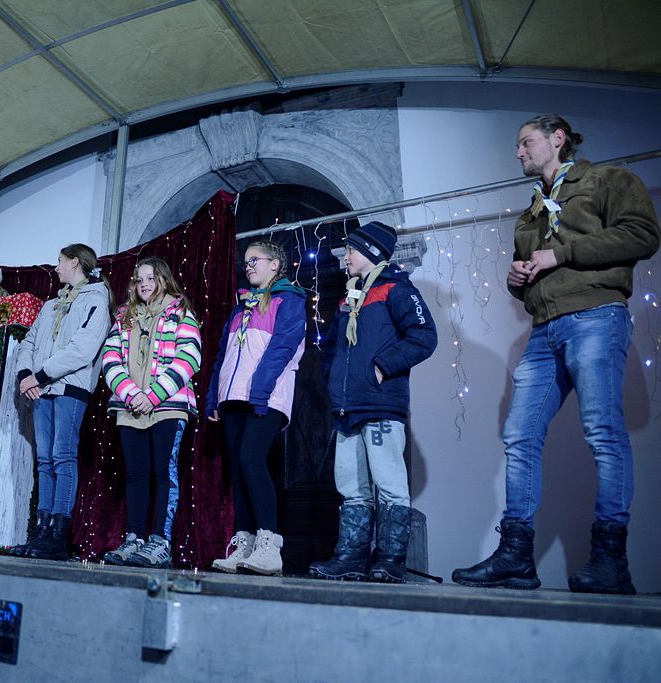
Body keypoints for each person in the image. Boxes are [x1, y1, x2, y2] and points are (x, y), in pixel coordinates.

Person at [453, 114, 660, 594]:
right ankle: (516, 557)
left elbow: (643, 235)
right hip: (545, 329)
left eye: (526, 142)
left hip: (596, 315)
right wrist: (517, 280)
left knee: (603, 432)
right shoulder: (530, 213)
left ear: (557, 138)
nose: (519, 152)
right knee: (519, 436)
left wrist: (560, 254)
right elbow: (531, 281)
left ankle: (610, 561)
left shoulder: (607, 180)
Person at [308, 222, 437, 583]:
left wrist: (381, 367)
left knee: (389, 482)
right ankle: (351, 556)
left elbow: (424, 336)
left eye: (351, 250)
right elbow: (332, 347)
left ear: (371, 252)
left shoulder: (397, 289)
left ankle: (391, 559)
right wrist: (333, 379)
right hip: (347, 408)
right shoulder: (349, 298)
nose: (345, 257)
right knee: (352, 485)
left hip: (380, 405)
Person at [206, 240, 306, 576]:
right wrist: (214, 396)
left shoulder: (289, 301)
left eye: (255, 260)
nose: (248, 266)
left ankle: (269, 545)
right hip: (234, 398)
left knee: (252, 460)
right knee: (238, 468)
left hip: (265, 397)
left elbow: (282, 349)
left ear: (275, 264)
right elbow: (222, 356)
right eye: (246, 262)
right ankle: (245, 543)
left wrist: (260, 391)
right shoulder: (240, 309)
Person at [12, 243, 112, 561]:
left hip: (70, 388)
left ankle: (58, 535)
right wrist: (25, 373)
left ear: (75, 262)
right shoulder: (52, 305)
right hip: (42, 389)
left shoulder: (96, 299)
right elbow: (29, 340)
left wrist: (40, 375)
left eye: (60, 261)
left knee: (62, 457)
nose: (56, 268)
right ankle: (42, 530)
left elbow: (82, 349)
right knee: (44, 460)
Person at [101, 257, 202, 568]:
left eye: (150, 278)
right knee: (135, 474)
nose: (144, 284)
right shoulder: (124, 317)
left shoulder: (180, 313)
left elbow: (189, 358)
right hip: (130, 408)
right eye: (139, 279)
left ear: (163, 280)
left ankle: (160, 541)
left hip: (168, 407)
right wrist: (132, 395)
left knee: (163, 473)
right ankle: (135, 538)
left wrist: (154, 396)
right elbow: (110, 358)